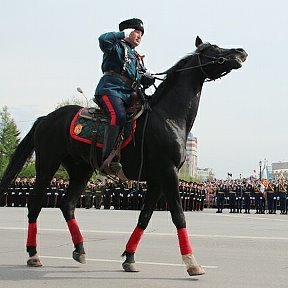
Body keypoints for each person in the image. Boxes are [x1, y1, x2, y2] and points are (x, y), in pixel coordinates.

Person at [94, 18, 155, 175]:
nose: (140, 36)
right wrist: (121, 34)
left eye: (141, 33)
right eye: (136, 32)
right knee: (118, 115)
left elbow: (137, 78)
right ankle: (108, 159)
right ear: (128, 32)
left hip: (129, 94)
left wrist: (147, 79)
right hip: (110, 89)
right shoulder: (116, 46)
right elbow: (102, 39)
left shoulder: (136, 56)